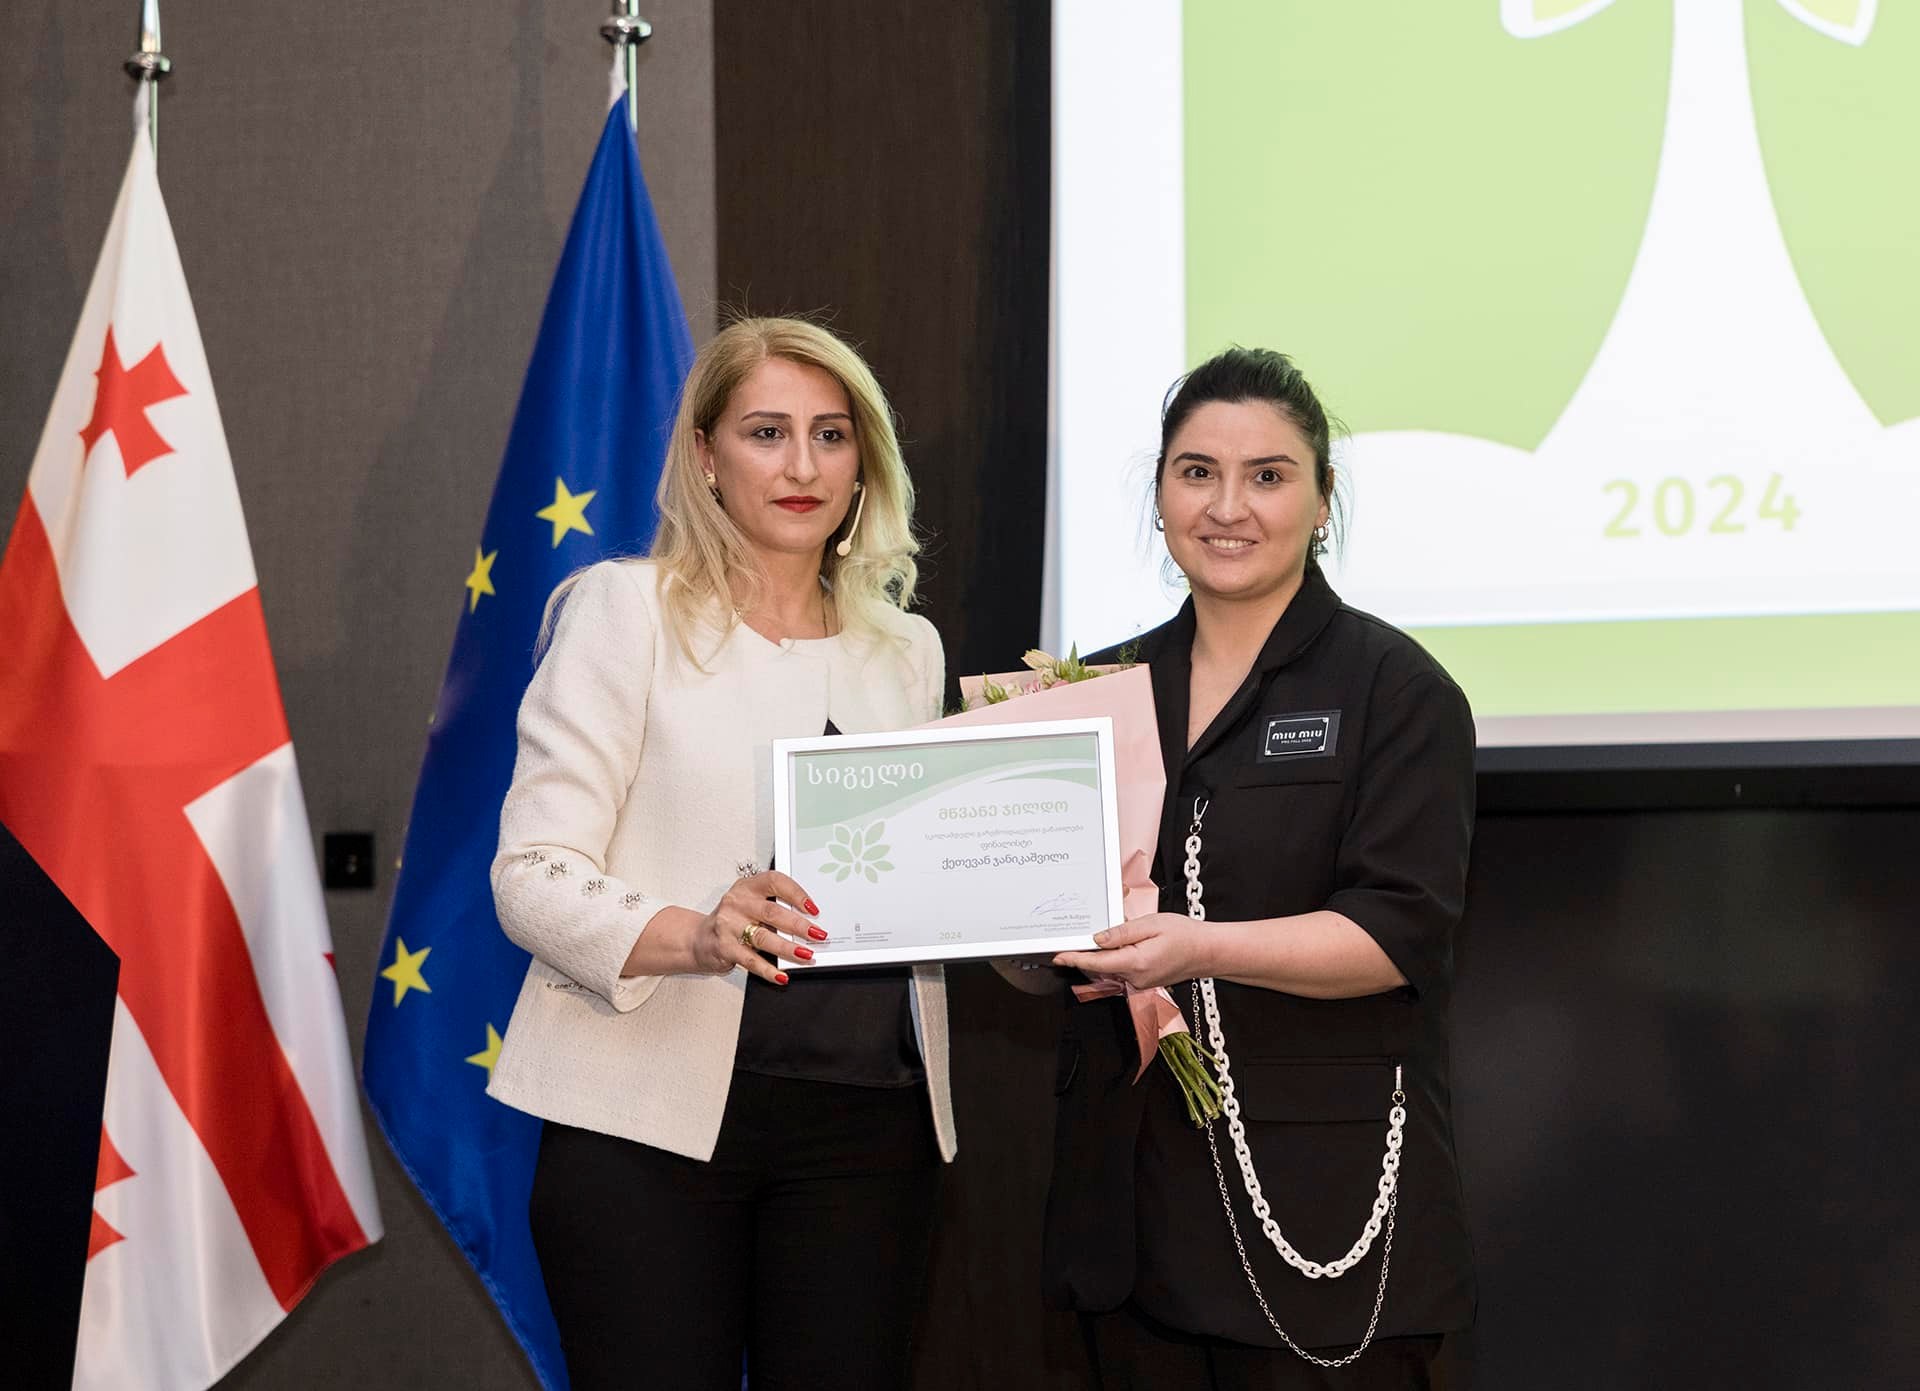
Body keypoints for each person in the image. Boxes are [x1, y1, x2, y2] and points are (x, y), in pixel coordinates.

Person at [484, 317, 952, 1391]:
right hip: (645, 1122)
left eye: (831, 435)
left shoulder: (907, 648)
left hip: (872, 1131)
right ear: (705, 454)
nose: (802, 466)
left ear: (863, 462)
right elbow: (530, 873)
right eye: (766, 432)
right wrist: (695, 932)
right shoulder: (625, 610)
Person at [1043, 347, 1476, 1388]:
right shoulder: (1097, 690)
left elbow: (1395, 935)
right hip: (1132, 1219)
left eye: (1268, 475)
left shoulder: (1397, 689)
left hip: (1319, 1207)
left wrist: (1198, 947)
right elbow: (1054, 915)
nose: (1227, 506)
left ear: (1322, 501)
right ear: (1159, 495)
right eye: (1197, 472)